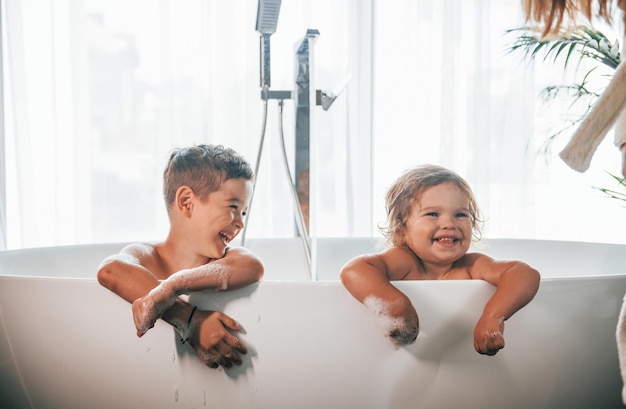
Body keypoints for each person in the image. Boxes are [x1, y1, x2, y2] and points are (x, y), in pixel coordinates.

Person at [340, 164, 540, 355]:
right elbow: (354, 270)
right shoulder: (406, 261)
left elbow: (524, 274)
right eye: (433, 214)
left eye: (461, 214)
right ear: (402, 229)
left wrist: (493, 315)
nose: (449, 223)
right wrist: (396, 305)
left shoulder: (471, 266)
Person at [97, 144, 264, 369]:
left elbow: (253, 266)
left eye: (244, 211)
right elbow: (110, 269)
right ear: (187, 202)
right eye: (233, 207)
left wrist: (173, 286)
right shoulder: (148, 255)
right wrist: (188, 319)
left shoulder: (224, 259)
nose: (241, 222)